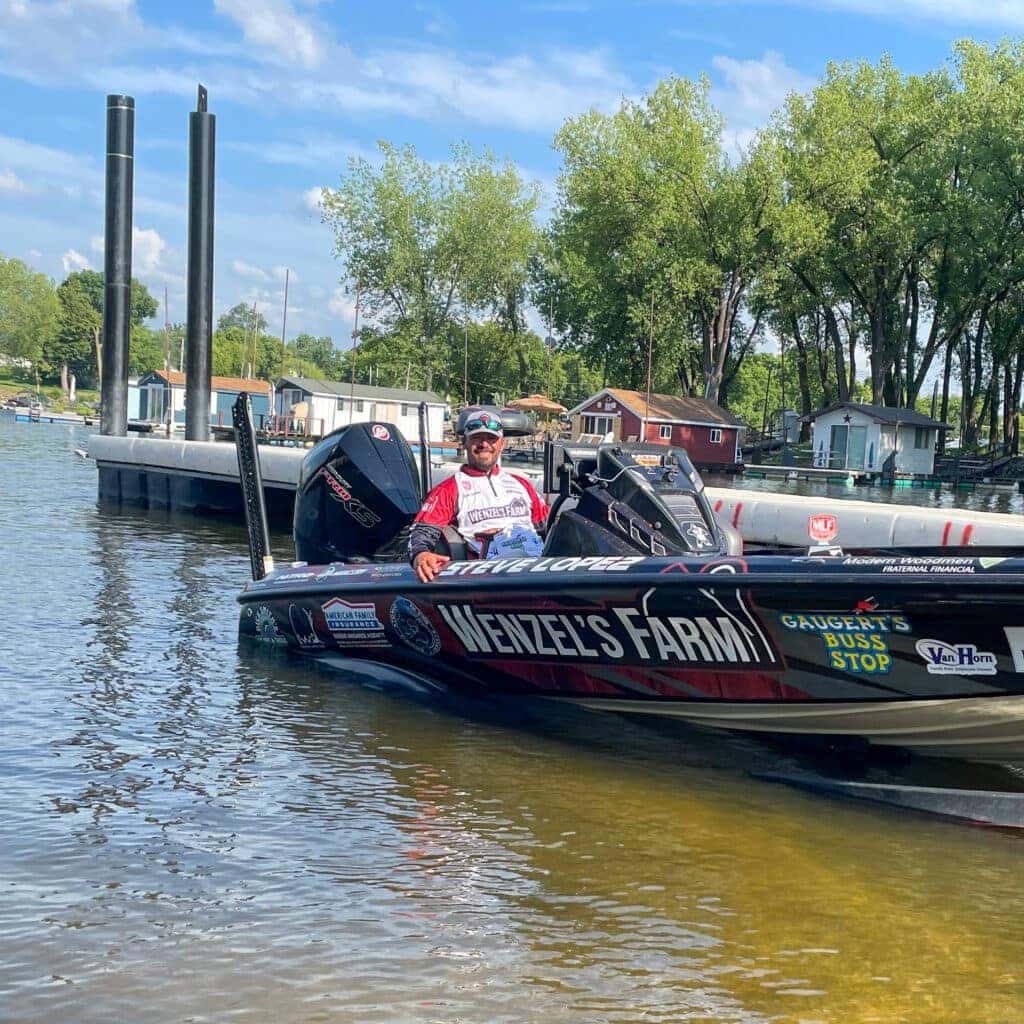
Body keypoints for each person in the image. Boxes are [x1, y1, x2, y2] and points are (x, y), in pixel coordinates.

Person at [409, 412, 549, 582]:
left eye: (491, 438)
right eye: (477, 438)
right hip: (492, 575)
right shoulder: (449, 489)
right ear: (465, 443)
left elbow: (546, 528)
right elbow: (421, 533)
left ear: (501, 444)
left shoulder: (523, 485)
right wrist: (421, 555)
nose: (484, 444)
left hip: (540, 568)